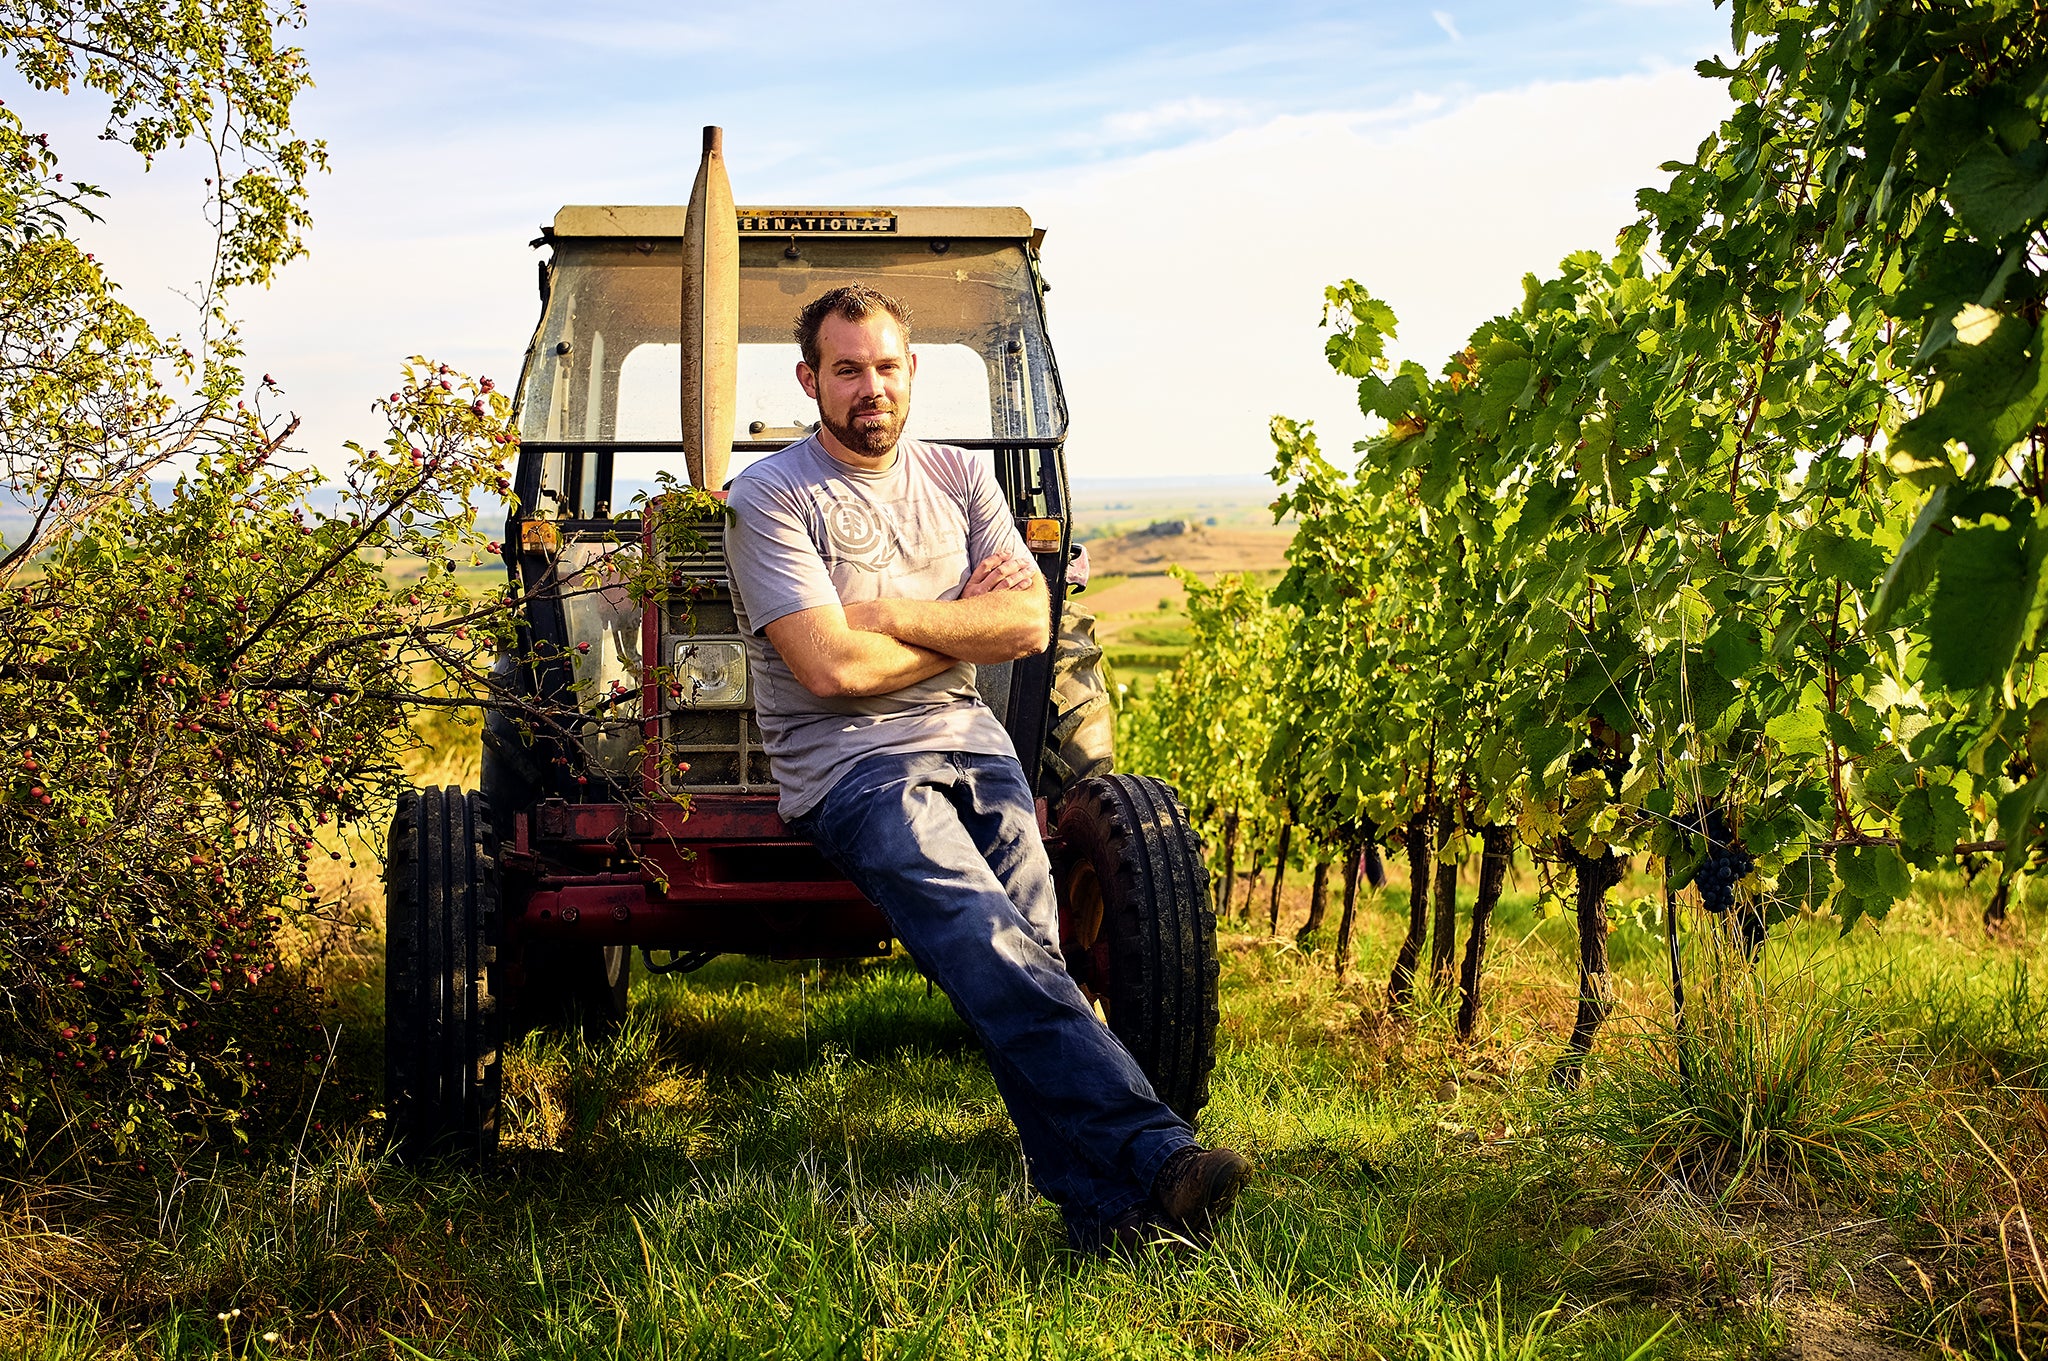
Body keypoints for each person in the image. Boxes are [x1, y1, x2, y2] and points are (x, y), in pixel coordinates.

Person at [722, 282, 1250, 1253]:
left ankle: (1104, 1220)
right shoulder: (768, 495)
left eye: (885, 366)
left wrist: (886, 614)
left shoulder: (961, 476)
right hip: (853, 766)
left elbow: (1025, 622)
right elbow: (829, 667)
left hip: (971, 741)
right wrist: (955, 629)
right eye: (846, 369)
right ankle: (1156, 1153)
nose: (869, 387)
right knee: (982, 932)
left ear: (911, 372)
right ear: (810, 380)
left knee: (1033, 954)